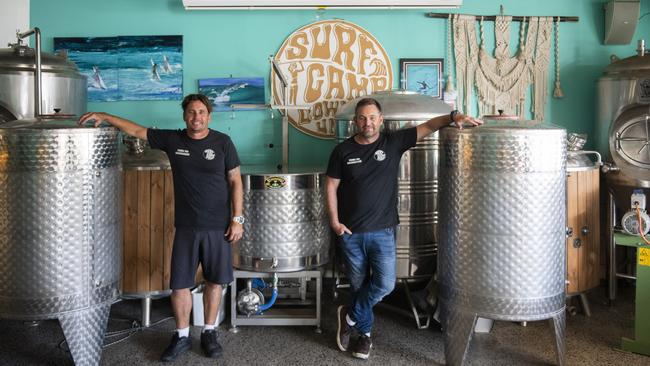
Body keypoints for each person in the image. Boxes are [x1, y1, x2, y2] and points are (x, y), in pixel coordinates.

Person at [78, 94, 244, 362]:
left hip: (218, 227)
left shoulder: (223, 143)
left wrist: (239, 219)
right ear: (184, 115)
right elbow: (136, 130)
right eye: (191, 112)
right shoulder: (173, 140)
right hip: (186, 227)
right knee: (180, 285)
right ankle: (181, 335)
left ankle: (209, 333)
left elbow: (235, 181)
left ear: (209, 116)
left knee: (214, 281)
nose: (196, 117)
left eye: (201, 112)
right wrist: (106, 116)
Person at [326, 97, 481, 360]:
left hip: (383, 232)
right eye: (362, 118)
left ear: (381, 119)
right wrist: (334, 222)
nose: (368, 122)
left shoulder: (392, 142)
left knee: (384, 284)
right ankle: (363, 336)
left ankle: (349, 314)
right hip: (350, 234)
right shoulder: (342, 151)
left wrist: (454, 116)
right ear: (355, 121)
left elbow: (430, 125)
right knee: (357, 285)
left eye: (372, 117)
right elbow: (331, 186)